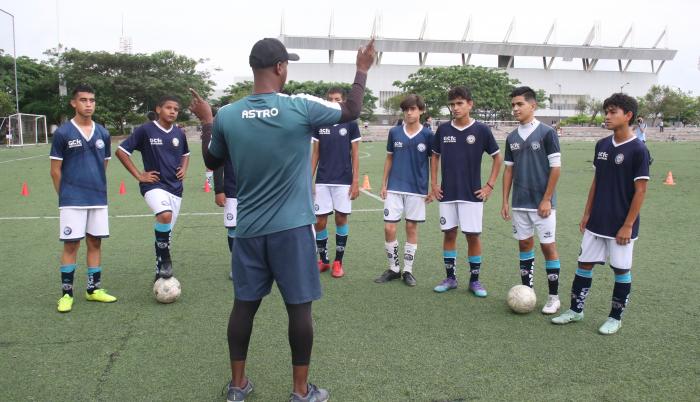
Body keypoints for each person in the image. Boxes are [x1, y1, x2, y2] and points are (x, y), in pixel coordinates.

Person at [189, 37, 375, 402]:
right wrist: (362, 69)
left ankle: (238, 387)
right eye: (286, 64)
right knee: (299, 309)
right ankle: (300, 392)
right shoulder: (300, 107)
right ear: (279, 67)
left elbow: (212, 163)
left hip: (248, 230)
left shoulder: (228, 114)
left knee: (244, 306)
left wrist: (208, 121)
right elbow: (351, 110)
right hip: (291, 230)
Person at [552, 93, 649, 335]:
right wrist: (587, 213)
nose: (607, 116)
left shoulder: (639, 150)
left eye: (612, 112)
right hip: (597, 220)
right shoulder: (602, 145)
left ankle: (615, 318)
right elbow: (597, 181)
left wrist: (628, 225)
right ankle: (576, 310)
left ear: (628, 116)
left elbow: (640, 192)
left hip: (621, 224)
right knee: (584, 264)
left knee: (620, 269)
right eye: (606, 111)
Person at [50, 84, 117, 313]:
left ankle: (93, 289)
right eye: (84, 100)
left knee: (95, 242)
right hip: (72, 200)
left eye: (92, 100)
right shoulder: (63, 133)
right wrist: (66, 195)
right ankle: (66, 294)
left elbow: (103, 164)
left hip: (97, 198)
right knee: (71, 244)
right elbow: (55, 170)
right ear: (74, 103)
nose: (89, 104)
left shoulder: (103, 133)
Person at [431, 86, 502, 297]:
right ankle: (450, 278)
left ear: (470, 104)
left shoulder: (481, 130)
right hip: (448, 193)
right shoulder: (443, 130)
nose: (455, 108)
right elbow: (434, 156)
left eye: (460, 103)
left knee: (472, 236)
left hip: (472, 194)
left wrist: (489, 185)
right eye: (452, 104)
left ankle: (475, 281)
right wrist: (434, 184)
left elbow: (497, 157)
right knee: (449, 233)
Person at [501, 86, 562, 314]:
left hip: (542, 205)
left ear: (532, 105)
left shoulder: (547, 133)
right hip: (520, 203)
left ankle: (553, 297)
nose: (515, 108)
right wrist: (505, 201)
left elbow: (556, 168)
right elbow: (509, 171)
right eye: (513, 105)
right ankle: (527, 291)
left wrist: (547, 199)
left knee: (548, 247)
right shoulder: (511, 137)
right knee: (524, 244)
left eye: (520, 104)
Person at [115, 96, 190, 282]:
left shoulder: (179, 133)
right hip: (153, 185)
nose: (172, 111)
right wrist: (139, 175)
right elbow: (121, 151)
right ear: (158, 109)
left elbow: (186, 154)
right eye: (168, 108)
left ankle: (159, 270)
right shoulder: (146, 130)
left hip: (175, 188)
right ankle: (165, 260)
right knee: (165, 215)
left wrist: (184, 169)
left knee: (166, 234)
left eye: (176, 109)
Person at [374, 94, 433, 287]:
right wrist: (384, 184)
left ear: (421, 111)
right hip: (394, 187)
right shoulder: (395, 132)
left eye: (413, 109)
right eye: (406, 109)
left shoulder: (428, 135)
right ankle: (393, 268)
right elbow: (389, 158)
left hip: (417, 189)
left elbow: (435, 162)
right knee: (389, 227)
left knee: (410, 227)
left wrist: (433, 186)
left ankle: (408, 270)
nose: (409, 112)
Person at [311, 87, 362, 278]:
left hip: (343, 180)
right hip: (323, 180)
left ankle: (338, 262)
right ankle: (323, 260)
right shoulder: (319, 122)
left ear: (343, 100)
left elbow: (355, 154)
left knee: (341, 218)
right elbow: (315, 153)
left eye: (337, 99)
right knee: (319, 221)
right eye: (331, 99)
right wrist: (310, 179)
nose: (334, 102)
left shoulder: (350, 122)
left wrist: (355, 181)